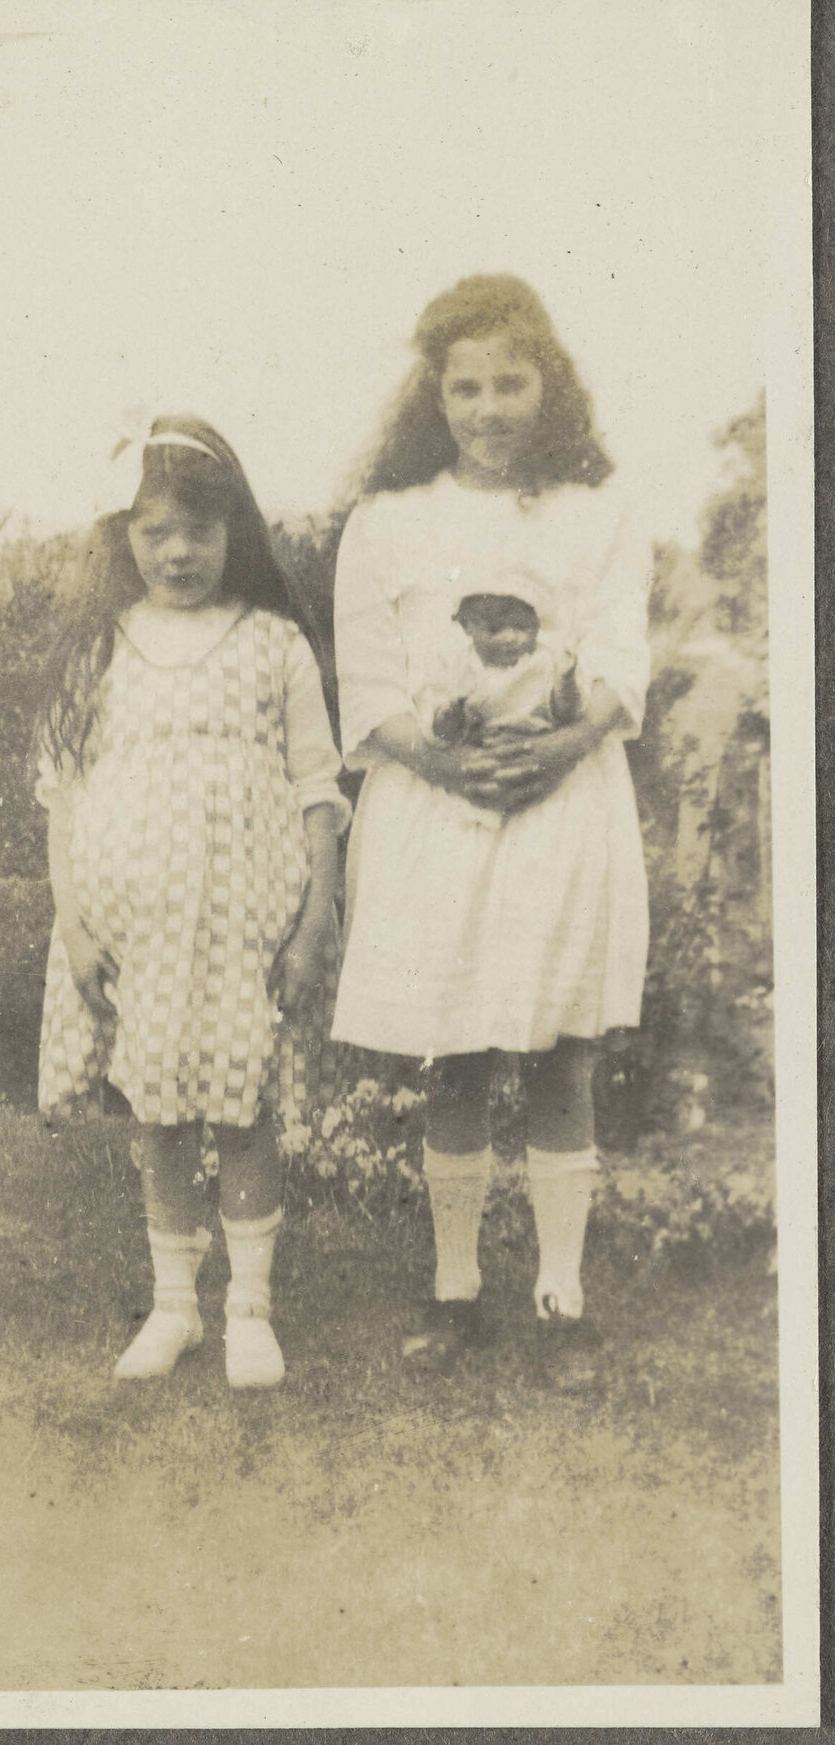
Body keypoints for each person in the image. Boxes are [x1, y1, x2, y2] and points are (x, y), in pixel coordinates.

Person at [331, 275, 651, 1388]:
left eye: (510, 383)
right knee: (455, 1051)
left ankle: (561, 1298)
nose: (487, 409)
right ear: (435, 396)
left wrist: (563, 747)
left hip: (563, 804)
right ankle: (454, 1290)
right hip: (437, 811)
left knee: (560, 1050)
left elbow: (618, 655)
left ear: (546, 385)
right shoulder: (388, 520)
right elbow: (370, 683)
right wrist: (447, 765)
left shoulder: (597, 511)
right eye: (464, 388)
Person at [37, 413, 348, 1390]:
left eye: (199, 530)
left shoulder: (273, 643)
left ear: (233, 531)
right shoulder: (100, 649)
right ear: (122, 536)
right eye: (154, 531)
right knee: (161, 1115)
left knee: (244, 1108)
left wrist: (315, 920)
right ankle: (174, 1306)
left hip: (246, 924)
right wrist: (72, 922)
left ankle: (248, 1308)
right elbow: (62, 797)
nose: (177, 552)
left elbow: (318, 789)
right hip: (135, 930)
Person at [415, 579, 581, 827]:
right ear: (467, 626)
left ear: (537, 624)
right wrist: (450, 713)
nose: (510, 637)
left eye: (522, 627)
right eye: (494, 630)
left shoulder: (544, 662)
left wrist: (566, 683)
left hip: (537, 752)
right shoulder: (457, 667)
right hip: (473, 756)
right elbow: (437, 730)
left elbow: (567, 714)